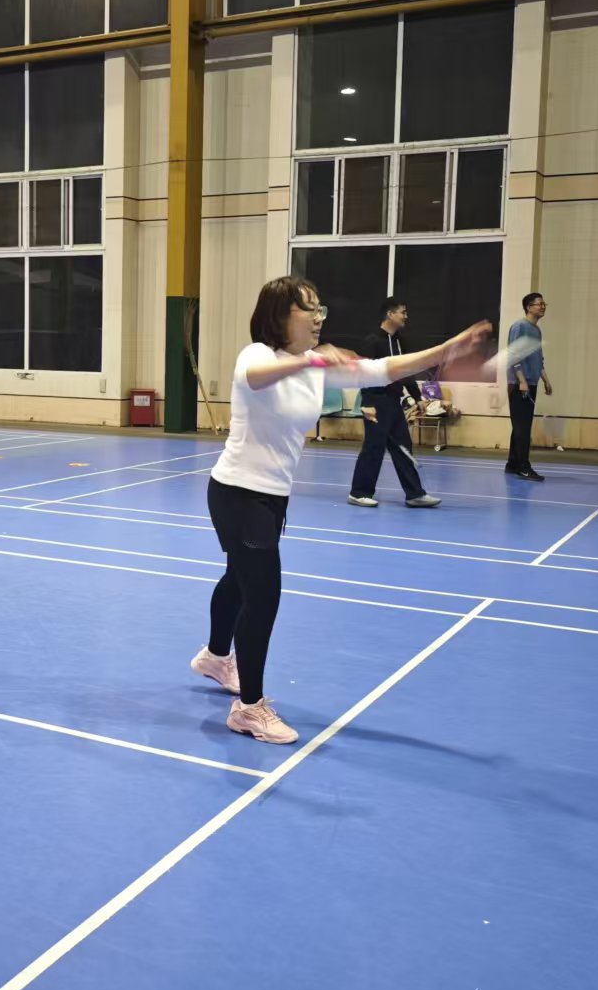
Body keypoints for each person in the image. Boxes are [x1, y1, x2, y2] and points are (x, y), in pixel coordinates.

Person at [189, 276, 490, 744]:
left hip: (270, 496)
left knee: (238, 577)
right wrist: (312, 359)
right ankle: (248, 709)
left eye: (320, 309)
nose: (317, 318)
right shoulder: (258, 355)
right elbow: (255, 378)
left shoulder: (315, 367)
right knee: (262, 595)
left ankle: (214, 657)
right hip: (238, 493)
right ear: (280, 314)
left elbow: (383, 369)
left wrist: (446, 349)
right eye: (308, 308)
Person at [348, 298, 441, 509]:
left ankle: (415, 494)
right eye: (402, 312)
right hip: (376, 401)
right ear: (390, 314)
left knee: (403, 447)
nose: (406, 316)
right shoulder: (372, 341)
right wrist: (367, 402)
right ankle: (359, 493)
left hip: (393, 402)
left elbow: (405, 372)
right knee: (374, 447)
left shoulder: (399, 342)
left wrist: (418, 398)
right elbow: (364, 374)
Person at [505, 292, 552, 482]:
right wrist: (521, 380)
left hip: (531, 383)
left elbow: (538, 358)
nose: (543, 306)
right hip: (519, 384)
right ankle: (523, 468)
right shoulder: (520, 327)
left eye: (544, 303)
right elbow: (513, 354)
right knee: (523, 427)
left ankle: (512, 463)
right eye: (539, 304)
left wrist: (545, 379)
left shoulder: (536, 330)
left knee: (521, 425)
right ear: (528, 307)